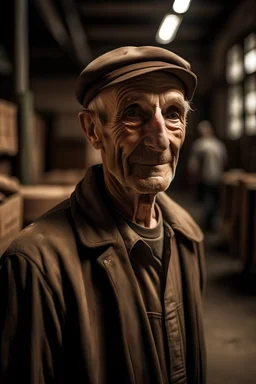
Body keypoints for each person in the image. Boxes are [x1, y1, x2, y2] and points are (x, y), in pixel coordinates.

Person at [0, 46, 206, 384]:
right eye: (134, 113)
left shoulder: (188, 236)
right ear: (93, 130)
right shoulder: (35, 264)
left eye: (172, 113)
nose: (159, 140)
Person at [188, 120, 227, 231]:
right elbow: (224, 160)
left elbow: (193, 165)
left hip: (206, 177)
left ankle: (207, 224)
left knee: (208, 200)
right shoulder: (218, 144)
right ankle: (209, 223)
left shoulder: (200, 145)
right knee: (212, 200)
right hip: (215, 176)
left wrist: (193, 177)